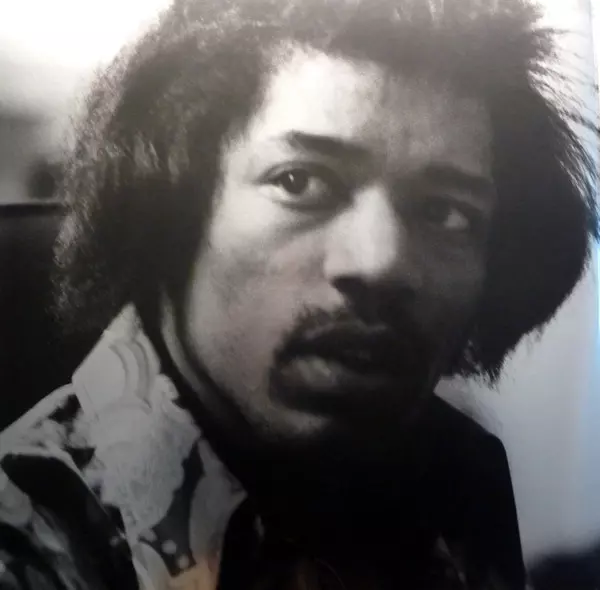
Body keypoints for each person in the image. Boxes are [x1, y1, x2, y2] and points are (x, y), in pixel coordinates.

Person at [0, 0, 597, 588]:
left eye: (446, 212)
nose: (381, 263)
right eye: (299, 181)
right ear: (169, 213)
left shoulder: (458, 480)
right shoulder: (24, 540)